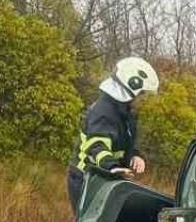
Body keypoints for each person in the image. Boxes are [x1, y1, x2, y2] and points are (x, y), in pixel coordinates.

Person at [67, 57, 161, 213]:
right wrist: (111, 167)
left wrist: (135, 156)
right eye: (142, 93)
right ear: (131, 88)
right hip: (87, 179)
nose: (142, 98)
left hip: (105, 177)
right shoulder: (104, 111)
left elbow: (124, 142)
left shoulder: (125, 111)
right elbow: (96, 145)